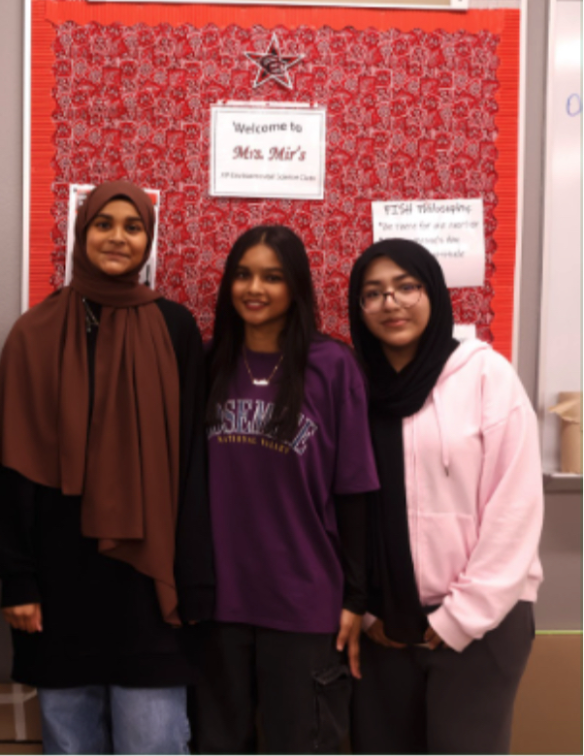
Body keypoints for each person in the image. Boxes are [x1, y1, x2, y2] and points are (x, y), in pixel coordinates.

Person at [0, 181, 214, 755]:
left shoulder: (175, 328)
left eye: (132, 227)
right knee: (70, 743)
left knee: (154, 741)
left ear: (148, 242)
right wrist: (18, 579)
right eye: (103, 224)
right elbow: (11, 471)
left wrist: (195, 579)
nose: (117, 237)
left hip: (150, 584)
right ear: (81, 234)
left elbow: (194, 466)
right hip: (59, 584)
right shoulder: (34, 333)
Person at [346, 239, 543, 754]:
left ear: (432, 291)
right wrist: (366, 611)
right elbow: (341, 505)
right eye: (373, 293)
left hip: (482, 623)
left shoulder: (485, 375)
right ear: (358, 308)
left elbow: (515, 507)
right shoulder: (353, 388)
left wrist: (461, 615)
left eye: (406, 287)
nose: (391, 303)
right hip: (384, 626)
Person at [192, 225, 378, 754]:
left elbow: (355, 490)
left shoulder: (333, 367)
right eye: (244, 275)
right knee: (217, 744)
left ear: (296, 287)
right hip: (218, 601)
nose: (255, 288)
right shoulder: (206, 363)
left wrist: (354, 599)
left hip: (304, 602)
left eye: (272, 277)